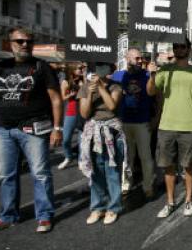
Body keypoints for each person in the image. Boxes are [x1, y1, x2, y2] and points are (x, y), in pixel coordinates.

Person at [0, 27, 63, 234]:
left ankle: (44, 216)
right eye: (20, 41)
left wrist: (57, 128)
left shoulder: (42, 67)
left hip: (33, 128)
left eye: (29, 41)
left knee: (40, 173)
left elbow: (55, 98)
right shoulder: (1, 68)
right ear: (10, 43)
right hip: (4, 129)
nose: (25, 45)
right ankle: (7, 216)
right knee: (6, 175)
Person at [147, 39, 192, 218]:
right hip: (166, 126)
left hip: (188, 126)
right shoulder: (165, 70)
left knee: (188, 166)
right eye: (176, 47)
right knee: (168, 167)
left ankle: (188, 200)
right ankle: (170, 202)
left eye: (182, 46)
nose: (179, 49)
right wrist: (151, 75)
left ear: (188, 49)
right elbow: (150, 92)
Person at [78, 63, 125, 225]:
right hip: (93, 133)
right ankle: (97, 207)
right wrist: (90, 93)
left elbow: (112, 106)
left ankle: (113, 207)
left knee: (112, 171)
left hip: (112, 131)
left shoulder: (116, 86)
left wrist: (100, 87)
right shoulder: (85, 87)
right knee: (95, 171)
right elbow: (84, 113)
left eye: (103, 67)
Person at [112, 49, 157, 198]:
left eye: (141, 58)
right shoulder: (118, 76)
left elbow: (152, 92)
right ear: (127, 58)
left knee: (145, 156)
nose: (140, 60)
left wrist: (152, 75)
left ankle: (148, 186)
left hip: (142, 122)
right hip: (124, 122)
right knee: (127, 156)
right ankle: (126, 184)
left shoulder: (146, 75)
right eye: (136, 58)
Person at [59, 63, 85, 170]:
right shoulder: (65, 82)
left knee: (81, 140)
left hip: (82, 111)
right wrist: (71, 95)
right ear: (72, 69)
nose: (81, 70)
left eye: (82, 68)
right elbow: (63, 98)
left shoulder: (83, 80)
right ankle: (68, 157)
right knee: (66, 139)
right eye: (79, 68)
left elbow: (87, 94)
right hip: (70, 112)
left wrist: (83, 84)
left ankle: (81, 160)